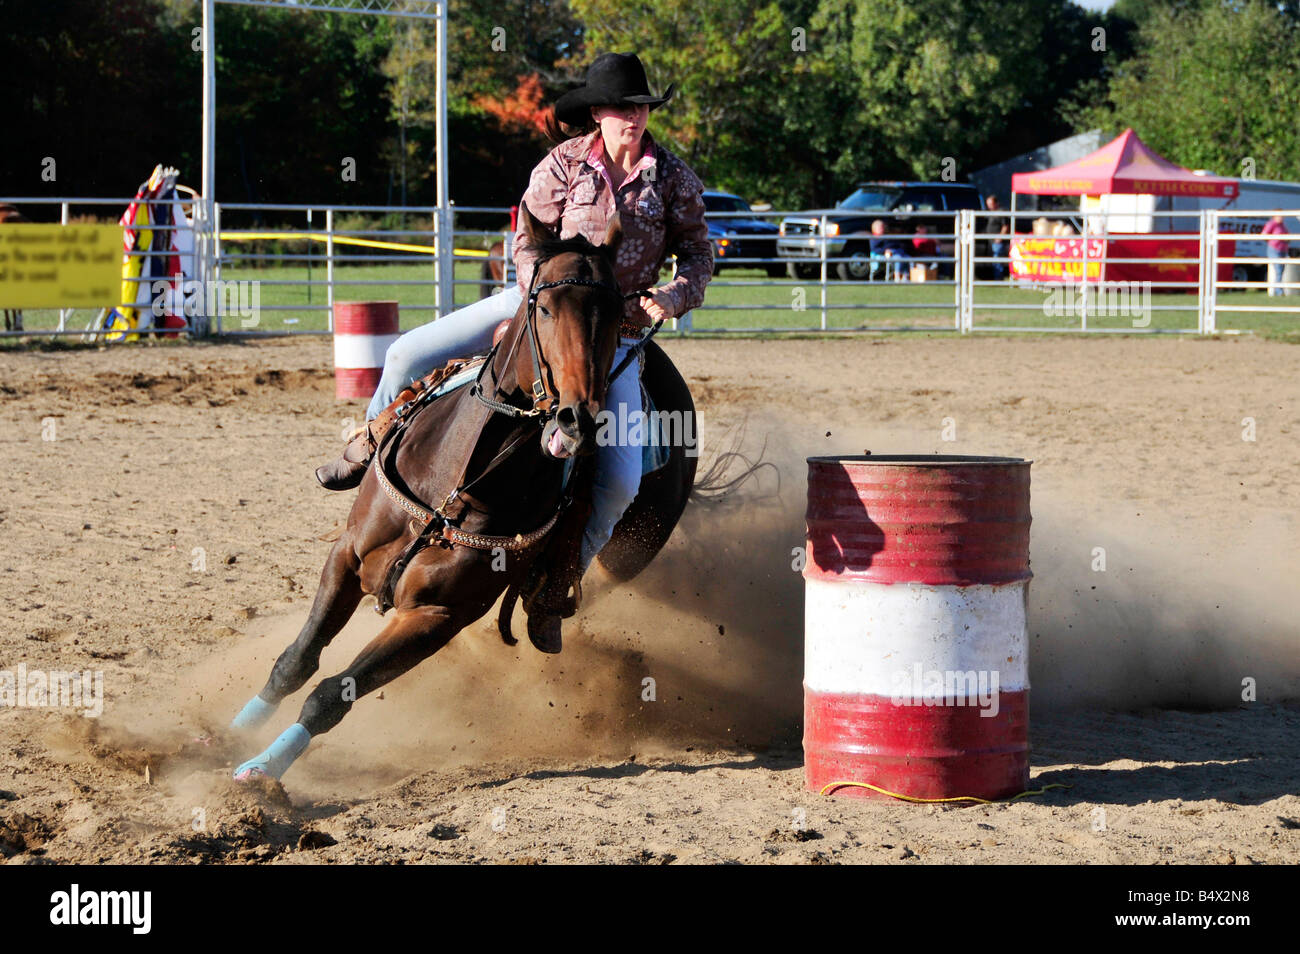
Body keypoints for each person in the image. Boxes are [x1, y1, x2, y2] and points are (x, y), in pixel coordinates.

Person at [314, 52, 712, 618]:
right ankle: (372, 449)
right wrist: (533, 298)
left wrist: (671, 297)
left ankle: (560, 579)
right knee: (405, 352)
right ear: (598, 112)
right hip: (539, 306)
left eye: (642, 106)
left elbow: (699, 255)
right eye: (623, 107)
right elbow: (527, 236)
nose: (634, 116)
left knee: (621, 480)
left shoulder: (673, 179)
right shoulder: (564, 164)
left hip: (614, 332)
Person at [982, 195, 1009, 280]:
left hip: (997, 242)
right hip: (991, 241)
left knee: (997, 260)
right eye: (988, 204)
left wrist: (1000, 237)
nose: (989, 206)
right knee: (994, 260)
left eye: (991, 204)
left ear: (996, 203)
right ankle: (995, 278)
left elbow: (1005, 226)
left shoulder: (1001, 212)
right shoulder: (990, 213)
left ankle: (999, 279)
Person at [1262, 214, 1289, 296]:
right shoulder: (1272, 224)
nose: (1282, 217)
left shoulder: (1282, 225)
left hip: (1282, 249)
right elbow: (1264, 234)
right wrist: (1272, 242)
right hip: (1274, 249)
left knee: (1281, 270)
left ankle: (1277, 289)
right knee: (1279, 269)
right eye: (1279, 216)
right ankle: (1278, 291)